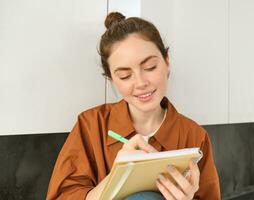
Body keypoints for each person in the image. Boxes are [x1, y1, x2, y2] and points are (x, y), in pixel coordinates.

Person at [46, 12, 221, 200]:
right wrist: (117, 177)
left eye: (150, 67)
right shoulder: (91, 125)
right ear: (111, 79)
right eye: (125, 76)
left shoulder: (194, 136)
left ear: (167, 61)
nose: (140, 83)